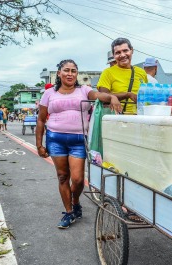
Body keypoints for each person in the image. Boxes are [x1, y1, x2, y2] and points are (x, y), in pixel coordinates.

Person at [36, 59, 121, 229]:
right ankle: (69, 213)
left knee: (78, 179)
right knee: (62, 176)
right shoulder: (49, 94)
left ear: (77, 74)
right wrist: (39, 144)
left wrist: (111, 96)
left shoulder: (84, 90)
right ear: (59, 73)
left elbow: (97, 96)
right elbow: (40, 119)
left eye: (73, 71)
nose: (70, 74)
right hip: (55, 139)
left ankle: (76, 202)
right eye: (66, 70)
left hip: (78, 141)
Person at [98, 37, 148, 114]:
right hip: (116, 119)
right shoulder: (107, 73)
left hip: (140, 118)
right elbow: (103, 96)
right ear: (114, 55)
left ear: (132, 50)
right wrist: (127, 95)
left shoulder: (141, 72)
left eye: (125, 51)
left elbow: (147, 94)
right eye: (118, 52)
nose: (122, 55)